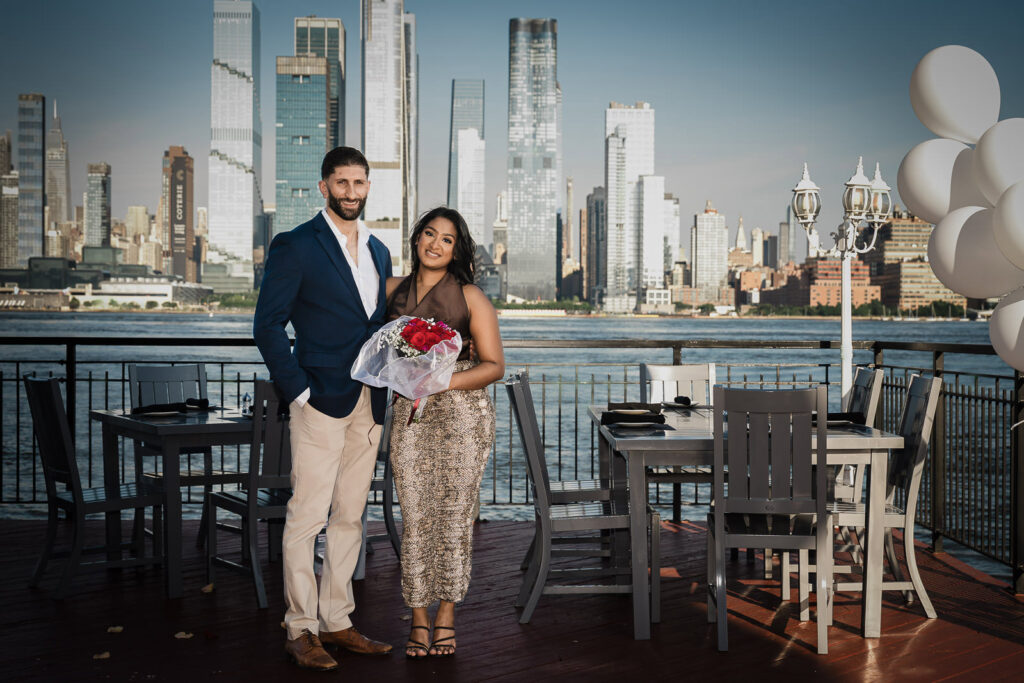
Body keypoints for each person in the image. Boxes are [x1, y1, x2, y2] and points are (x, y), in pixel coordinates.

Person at [253, 146, 394, 671]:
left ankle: (338, 620)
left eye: (359, 183)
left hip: (368, 399)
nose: (351, 193)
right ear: (323, 186)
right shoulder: (295, 246)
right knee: (307, 515)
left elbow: (375, 326)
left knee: (350, 517)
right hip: (319, 398)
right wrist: (298, 390)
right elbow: (267, 325)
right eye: (342, 183)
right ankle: (300, 628)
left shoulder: (379, 251)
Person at [384, 206, 505, 658]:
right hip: (410, 416)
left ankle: (447, 614)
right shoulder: (392, 290)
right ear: (417, 239)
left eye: (447, 239)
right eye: (429, 234)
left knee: (453, 519)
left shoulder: (471, 296)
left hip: (462, 416)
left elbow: (494, 366)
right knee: (415, 517)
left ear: (457, 249)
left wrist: (439, 380)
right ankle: (417, 615)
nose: (436, 244)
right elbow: (376, 347)